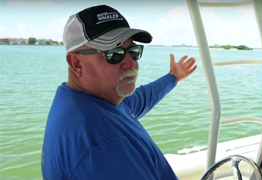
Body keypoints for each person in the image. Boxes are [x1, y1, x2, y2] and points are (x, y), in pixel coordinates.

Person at [41, 4, 197, 180]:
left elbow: (141, 98)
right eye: (115, 54)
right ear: (76, 63)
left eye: (133, 51)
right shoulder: (104, 145)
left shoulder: (84, 101)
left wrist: (174, 77)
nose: (131, 64)